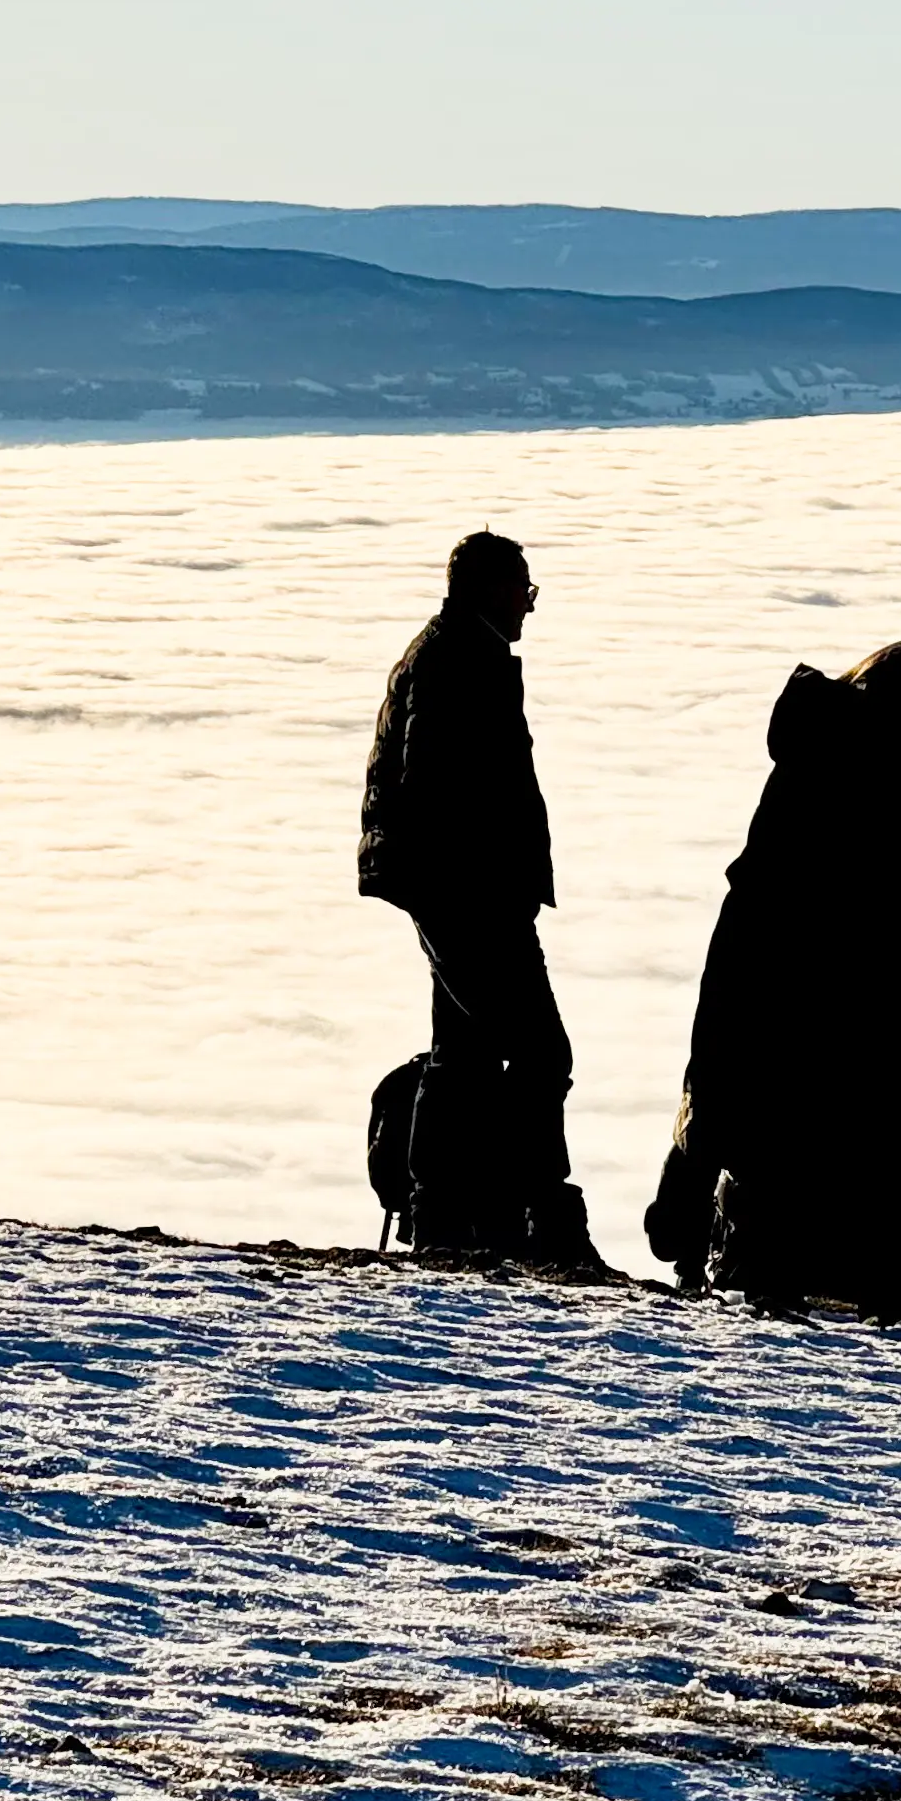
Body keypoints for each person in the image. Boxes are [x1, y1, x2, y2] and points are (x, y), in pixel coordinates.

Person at [648, 642, 901, 1313]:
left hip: (768, 954)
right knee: (853, 1114)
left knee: (766, 1109)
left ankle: (732, 1247)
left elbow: (858, 853)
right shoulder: (882, 750)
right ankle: (848, 1274)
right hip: (833, 969)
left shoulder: (828, 735)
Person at [359, 531, 600, 1266]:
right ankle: (528, 1218)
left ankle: (446, 1214)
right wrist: (490, 883)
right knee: (537, 1052)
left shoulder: (457, 651)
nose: (530, 604)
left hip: (454, 886)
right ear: (489, 588)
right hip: (467, 891)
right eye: (522, 588)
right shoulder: (457, 661)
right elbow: (438, 781)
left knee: (462, 1053)